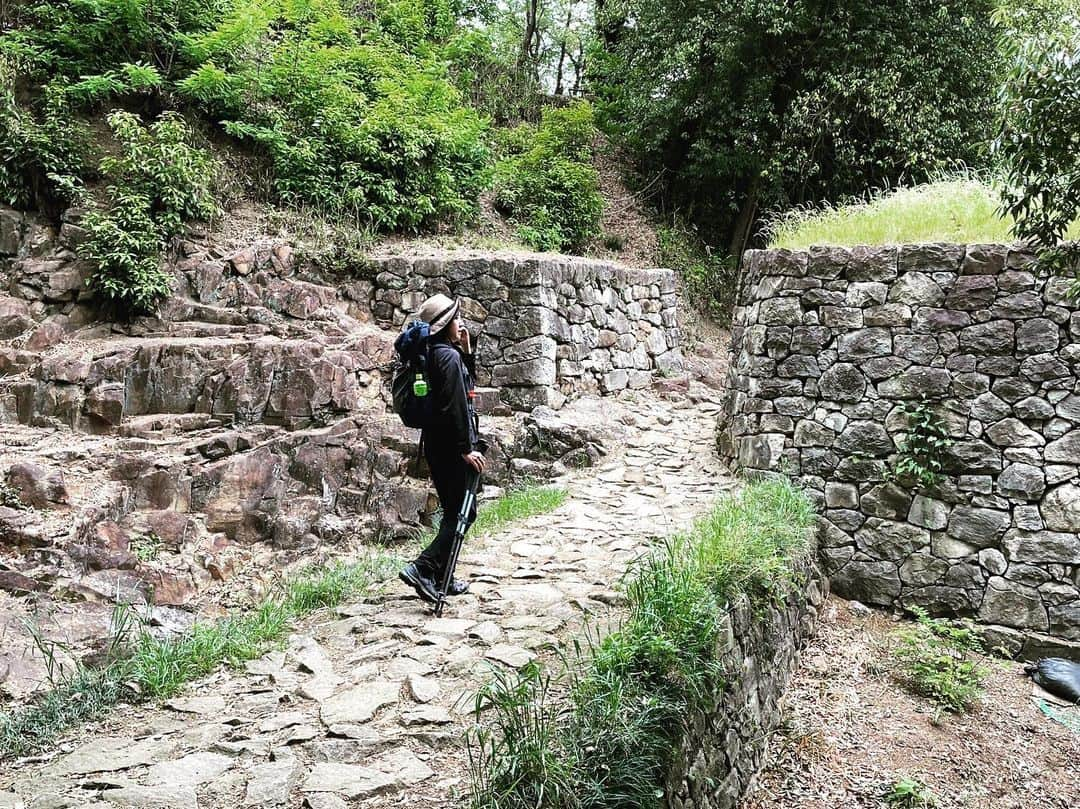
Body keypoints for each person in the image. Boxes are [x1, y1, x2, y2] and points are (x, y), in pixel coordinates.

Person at [399, 293, 487, 604]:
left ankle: (442, 576)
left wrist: (467, 351)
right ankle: (423, 568)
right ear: (445, 324)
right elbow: (458, 404)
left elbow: (466, 385)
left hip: (436, 442)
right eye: (456, 318)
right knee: (465, 511)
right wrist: (467, 448)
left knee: (455, 511)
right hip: (452, 446)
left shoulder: (439, 353)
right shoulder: (446, 357)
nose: (461, 322)